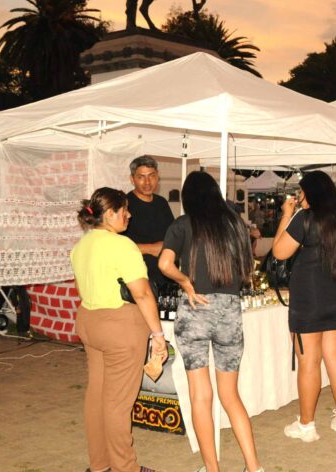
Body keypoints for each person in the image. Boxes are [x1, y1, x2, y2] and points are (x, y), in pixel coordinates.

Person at [157, 171, 262, 472]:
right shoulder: (235, 226)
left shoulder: (183, 224)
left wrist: (185, 281)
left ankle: (212, 469)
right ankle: (254, 467)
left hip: (195, 309)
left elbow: (164, 264)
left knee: (201, 397)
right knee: (230, 395)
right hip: (229, 309)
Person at [71, 187, 166, 472]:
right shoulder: (122, 244)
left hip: (89, 321)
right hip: (119, 328)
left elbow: (81, 288)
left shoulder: (81, 245)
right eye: (124, 209)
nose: (129, 214)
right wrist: (158, 335)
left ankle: (100, 466)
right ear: (110, 213)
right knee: (118, 403)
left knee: (97, 395)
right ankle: (126, 468)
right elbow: (143, 294)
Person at [272, 170, 336, 442]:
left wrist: (287, 214)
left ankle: (307, 425)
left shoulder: (305, 218)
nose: (299, 197)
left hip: (309, 297)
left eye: (302, 192)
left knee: (309, 360)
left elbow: (279, 252)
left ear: (309, 193)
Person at [122, 156, 175, 299]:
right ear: (132, 179)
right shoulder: (124, 205)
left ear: (157, 177)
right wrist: (151, 248)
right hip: (138, 283)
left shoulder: (162, 203)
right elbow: (116, 246)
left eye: (151, 176)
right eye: (141, 177)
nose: (147, 182)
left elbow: (172, 236)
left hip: (166, 279)